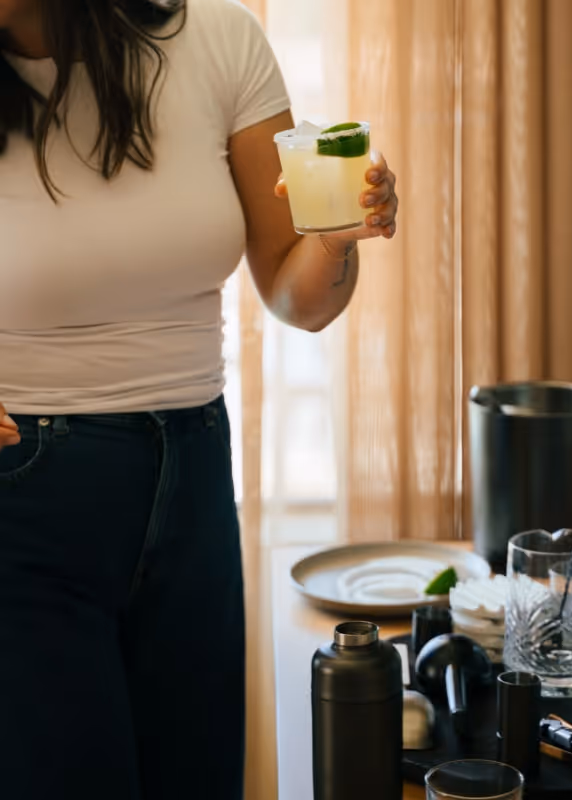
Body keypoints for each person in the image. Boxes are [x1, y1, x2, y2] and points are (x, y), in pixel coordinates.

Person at [0, 0, 398, 797]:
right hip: (24, 504)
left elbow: (299, 296)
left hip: (193, 475)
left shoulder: (215, 41)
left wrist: (334, 237)